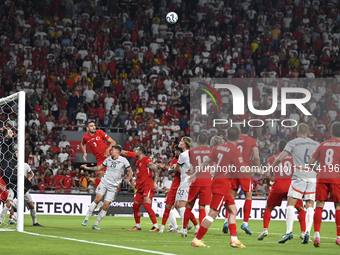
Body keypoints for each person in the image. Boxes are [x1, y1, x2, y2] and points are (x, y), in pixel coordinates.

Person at [189, 127, 248, 248]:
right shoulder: (235, 150)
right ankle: (197, 239)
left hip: (221, 184)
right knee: (213, 214)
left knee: (233, 211)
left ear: (226, 135)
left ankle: (234, 240)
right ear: (239, 137)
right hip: (222, 185)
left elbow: (205, 163)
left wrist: (195, 174)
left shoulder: (217, 148)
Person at [270, 123, 319, 244]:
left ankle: (288, 232)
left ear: (297, 132)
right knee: (309, 204)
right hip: (312, 176)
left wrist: (271, 168)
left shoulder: (293, 142)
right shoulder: (317, 144)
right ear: (308, 132)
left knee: (291, 203)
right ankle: (307, 232)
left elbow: (280, 158)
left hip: (299, 175)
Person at [258, 140, 305, 240]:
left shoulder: (272, 158)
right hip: (291, 187)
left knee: (268, 208)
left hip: (277, 186)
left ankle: (265, 230)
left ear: (278, 148)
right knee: (300, 208)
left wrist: (267, 184)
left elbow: (267, 174)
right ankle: (303, 233)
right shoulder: (294, 158)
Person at [181, 135, 224, 237]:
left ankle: (184, 230)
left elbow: (192, 167)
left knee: (189, 205)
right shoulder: (211, 151)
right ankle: (200, 230)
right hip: (207, 182)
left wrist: (190, 172)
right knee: (202, 207)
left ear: (197, 140)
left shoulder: (192, 151)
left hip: (195, 180)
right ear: (207, 141)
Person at [81, 145, 132, 230]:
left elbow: (130, 171)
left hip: (114, 186)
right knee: (98, 199)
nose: (111, 151)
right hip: (104, 182)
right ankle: (86, 218)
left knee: (106, 205)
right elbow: (99, 167)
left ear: (117, 151)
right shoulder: (108, 159)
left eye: (112, 150)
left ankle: (96, 224)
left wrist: (128, 179)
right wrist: (88, 168)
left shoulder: (124, 160)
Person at [223, 124, 261, 235]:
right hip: (245, 170)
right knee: (248, 197)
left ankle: (226, 220)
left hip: (233, 169)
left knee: (231, 197)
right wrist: (258, 168)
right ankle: (245, 222)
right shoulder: (253, 141)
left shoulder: (235, 140)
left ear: (240, 130)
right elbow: (256, 156)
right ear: (249, 130)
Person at [309, 121, 340, 247]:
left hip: (322, 177)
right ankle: (338, 237)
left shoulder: (323, 144)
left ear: (331, 132)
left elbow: (311, 162)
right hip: (336, 178)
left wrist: (320, 170)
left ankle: (317, 236)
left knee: (319, 206)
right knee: (338, 206)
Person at [121, 146, 160, 231]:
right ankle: (138, 226)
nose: (135, 151)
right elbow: (137, 174)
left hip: (147, 186)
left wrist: (155, 182)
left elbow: (156, 170)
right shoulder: (138, 162)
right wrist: (134, 179)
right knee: (135, 205)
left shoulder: (146, 159)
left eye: (137, 150)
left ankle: (156, 226)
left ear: (140, 152)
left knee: (146, 205)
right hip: (140, 187)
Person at [81, 120, 116, 195]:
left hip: (108, 154)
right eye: (91, 126)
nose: (94, 127)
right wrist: (85, 153)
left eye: (94, 125)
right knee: (98, 174)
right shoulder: (85, 137)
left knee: (121, 152)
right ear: (87, 128)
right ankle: (98, 199)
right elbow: (82, 144)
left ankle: (136, 156)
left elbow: (113, 142)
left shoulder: (100, 132)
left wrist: (108, 149)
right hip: (100, 159)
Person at [174, 137, 199, 235]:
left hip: (186, 182)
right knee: (177, 204)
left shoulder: (183, 155)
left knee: (181, 205)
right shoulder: (192, 153)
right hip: (187, 181)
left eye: (181, 141)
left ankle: (194, 226)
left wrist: (173, 168)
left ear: (185, 145)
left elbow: (177, 168)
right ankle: (189, 224)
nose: (179, 142)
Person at [158, 145, 183, 233]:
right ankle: (163, 227)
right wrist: (169, 168)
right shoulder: (174, 160)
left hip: (184, 186)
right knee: (169, 205)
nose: (174, 152)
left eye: (176, 150)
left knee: (182, 207)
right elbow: (170, 170)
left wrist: (172, 168)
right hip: (175, 185)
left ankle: (191, 226)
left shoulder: (186, 158)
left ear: (179, 151)